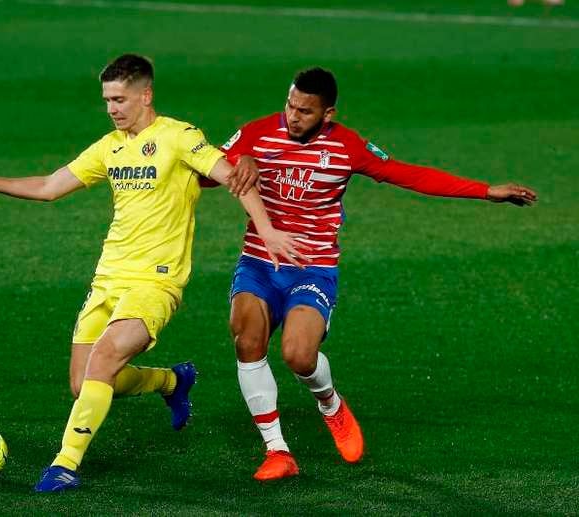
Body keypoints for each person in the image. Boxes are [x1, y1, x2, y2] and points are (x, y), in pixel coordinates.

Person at [0, 54, 304, 492]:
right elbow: (50, 187)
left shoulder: (179, 137)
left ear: (145, 95)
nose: (112, 108)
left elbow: (234, 178)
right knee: (83, 383)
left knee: (105, 359)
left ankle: (64, 465)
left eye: (120, 99)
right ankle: (171, 381)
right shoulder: (109, 147)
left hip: (156, 281)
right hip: (108, 279)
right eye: (107, 100)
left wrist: (268, 232)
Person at [220, 67, 538, 481]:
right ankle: (277, 450)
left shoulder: (347, 147)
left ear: (327, 113)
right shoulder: (257, 133)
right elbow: (203, 169)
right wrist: (234, 159)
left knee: (299, 355)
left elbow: (407, 174)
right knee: (247, 338)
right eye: (290, 106)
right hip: (259, 262)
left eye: (305, 111)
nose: (293, 116)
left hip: (312, 267)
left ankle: (330, 403)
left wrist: (484, 190)